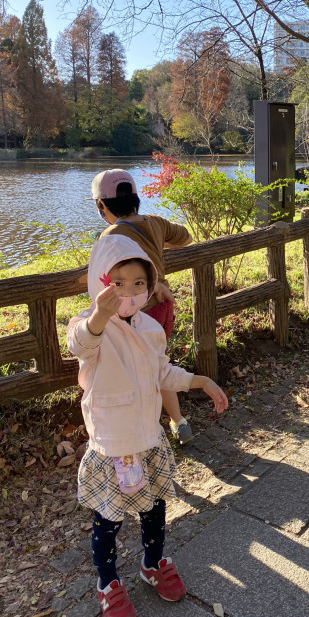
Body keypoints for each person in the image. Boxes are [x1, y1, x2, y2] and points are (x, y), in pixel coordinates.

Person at [67, 234, 228, 617]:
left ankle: (152, 563)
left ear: (150, 284)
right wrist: (100, 316)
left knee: (155, 508)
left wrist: (199, 381)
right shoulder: (89, 327)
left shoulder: (150, 328)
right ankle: (109, 583)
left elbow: (162, 373)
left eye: (138, 283)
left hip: (148, 440)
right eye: (117, 283)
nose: (128, 292)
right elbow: (80, 347)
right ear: (100, 283)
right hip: (113, 445)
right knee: (109, 519)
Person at [91, 168, 195, 445]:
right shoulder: (155, 222)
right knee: (159, 365)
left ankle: (147, 430)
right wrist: (158, 245)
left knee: (141, 372)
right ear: (135, 197)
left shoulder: (111, 236)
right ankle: (179, 423)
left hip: (135, 315)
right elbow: (185, 237)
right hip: (163, 309)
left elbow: (102, 278)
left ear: (102, 205)